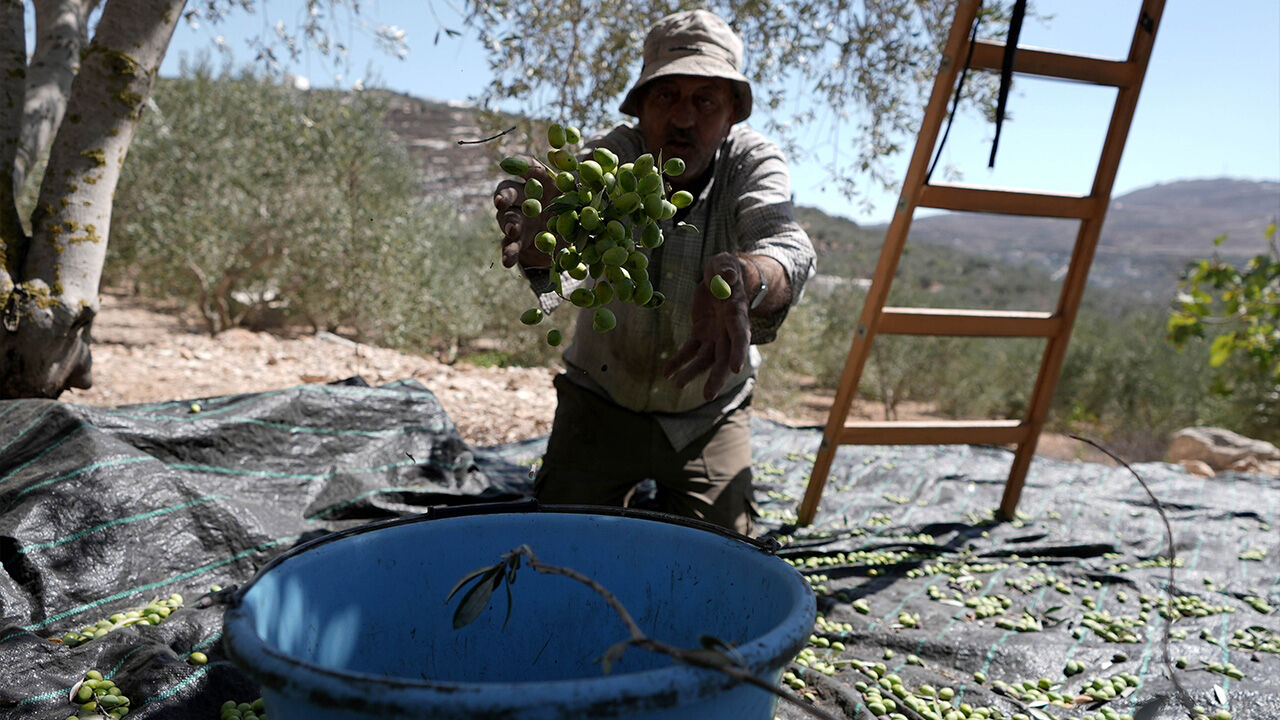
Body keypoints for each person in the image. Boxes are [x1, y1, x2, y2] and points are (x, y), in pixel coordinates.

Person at [492, 9, 815, 536]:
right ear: (640, 106)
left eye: (706, 99)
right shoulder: (610, 157)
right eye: (667, 96)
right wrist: (539, 247)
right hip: (600, 401)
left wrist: (748, 276)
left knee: (719, 563)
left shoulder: (751, 162)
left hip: (706, 416)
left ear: (733, 111)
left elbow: (786, 245)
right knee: (557, 547)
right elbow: (562, 254)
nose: (684, 118)